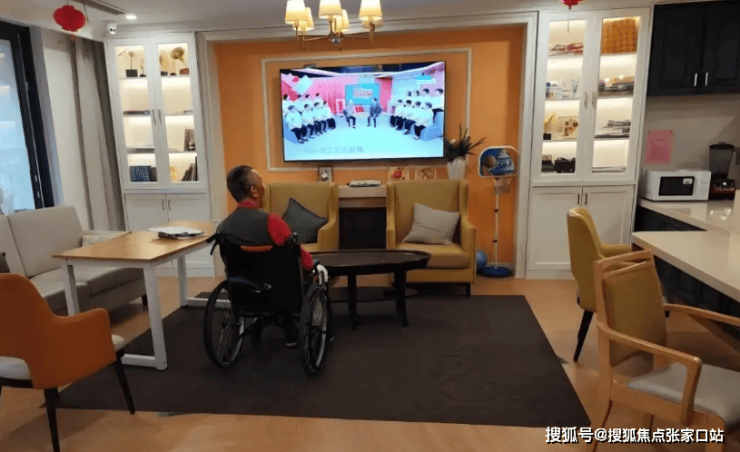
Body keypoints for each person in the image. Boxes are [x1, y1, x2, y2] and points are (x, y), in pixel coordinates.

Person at [217, 166, 315, 347]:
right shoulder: (272, 221)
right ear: (253, 191)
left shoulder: (223, 228)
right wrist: (314, 266)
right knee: (318, 273)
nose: (264, 189)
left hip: (243, 293)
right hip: (281, 293)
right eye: (262, 185)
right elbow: (302, 261)